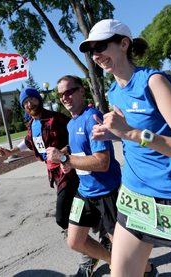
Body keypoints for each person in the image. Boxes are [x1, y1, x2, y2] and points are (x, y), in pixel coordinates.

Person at [80, 19, 171, 276]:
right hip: (134, 199)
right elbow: (138, 138)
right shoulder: (113, 92)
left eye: (100, 46)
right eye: (91, 50)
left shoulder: (153, 82)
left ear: (123, 43)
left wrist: (131, 132)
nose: (96, 55)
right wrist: (116, 135)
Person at [47, 75, 158, 277]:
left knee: (125, 253)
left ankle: (148, 270)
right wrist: (65, 155)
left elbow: (102, 162)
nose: (65, 97)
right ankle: (112, 260)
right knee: (75, 241)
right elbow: (79, 149)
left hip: (108, 193)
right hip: (85, 192)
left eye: (69, 91)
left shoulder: (92, 118)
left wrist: (65, 160)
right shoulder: (72, 123)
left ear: (81, 91)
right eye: (61, 94)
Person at [0, 88, 105, 274]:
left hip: (69, 172)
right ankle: (102, 233)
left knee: (63, 217)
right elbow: (29, 142)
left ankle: (90, 252)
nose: (29, 104)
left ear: (39, 99)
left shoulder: (56, 119)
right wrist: (11, 152)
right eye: (25, 102)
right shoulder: (33, 123)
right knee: (78, 210)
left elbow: (75, 137)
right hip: (55, 175)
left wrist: (64, 152)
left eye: (31, 99)